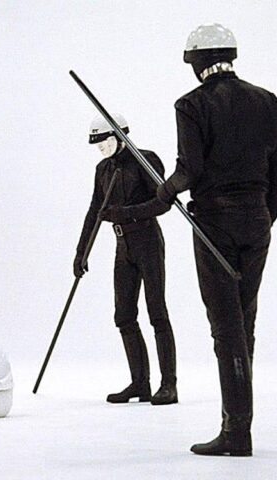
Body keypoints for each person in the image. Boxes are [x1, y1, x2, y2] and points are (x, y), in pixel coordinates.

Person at [156, 24, 277, 456]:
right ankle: (238, 426)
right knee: (244, 323)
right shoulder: (267, 100)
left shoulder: (191, 104)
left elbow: (189, 171)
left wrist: (164, 190)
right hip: (257, 221)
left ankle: (236, 433)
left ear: (196, 62)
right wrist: (264, 218)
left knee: (226, 328)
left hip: (215, 224)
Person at [74, 114, 177, 406]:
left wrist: (126, 213)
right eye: (97, 145)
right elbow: (95, 210)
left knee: (157, 312)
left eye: (105, 142)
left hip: (147, 240)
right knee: (124, 315)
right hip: (123, 245)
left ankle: (168, 384)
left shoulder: (145, 160)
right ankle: (140, 383)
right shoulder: (103, 169)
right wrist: (81, 252)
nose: (101, 149)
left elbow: (163, 202)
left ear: (119, 136)